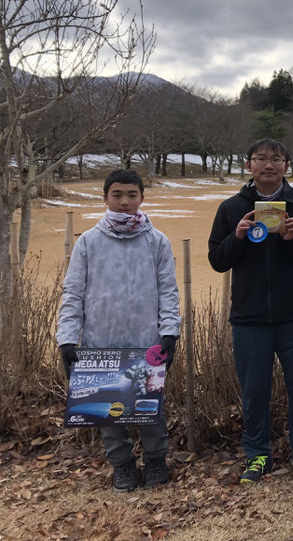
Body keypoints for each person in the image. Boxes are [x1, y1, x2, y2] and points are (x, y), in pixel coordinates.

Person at [57, 169, 181, 491]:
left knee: (151, 408)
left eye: (132, 195)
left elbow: (168, 292)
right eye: (117, 195)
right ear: (105, 198)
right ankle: (122, 464)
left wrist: (170, 333)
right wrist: (68, 339)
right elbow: (73, 294)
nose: (125, 202)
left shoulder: (158, 242)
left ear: (142, 198)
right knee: (107, 412)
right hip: (102, 344)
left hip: (146, 343)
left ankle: (155, 460)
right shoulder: (88, 242)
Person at [208, 139, 293, 483]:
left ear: (287, 165)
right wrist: (238, 237)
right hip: (249, 317)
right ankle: (258, 455)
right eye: (261, 159)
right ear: (248, 165)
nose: (268, 165)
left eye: (276, 159)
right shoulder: (231, 208)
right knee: (255, 391)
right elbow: (217, 260)